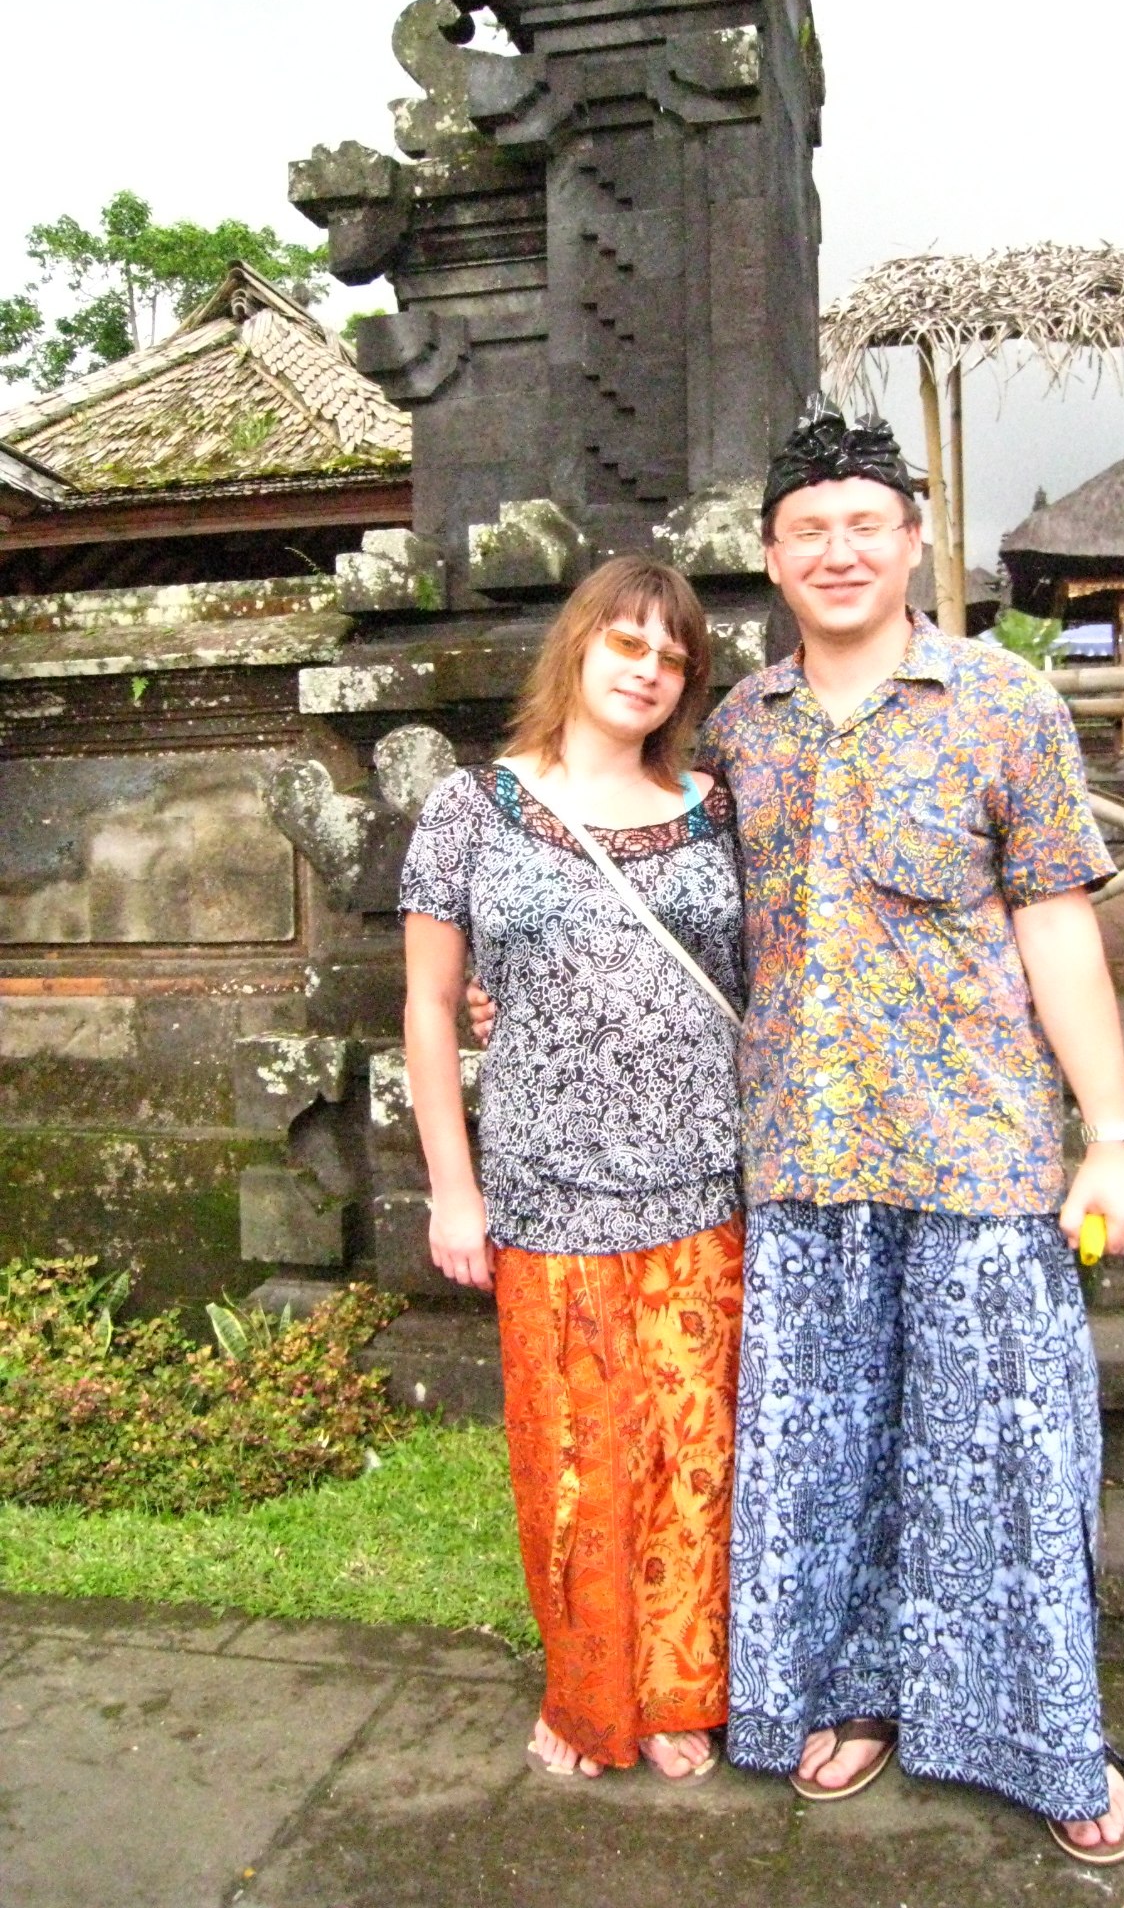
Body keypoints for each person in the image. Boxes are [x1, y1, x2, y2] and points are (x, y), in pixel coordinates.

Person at [697, 399, 1124, 1864]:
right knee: (822, 1451)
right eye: (808, 530)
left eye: (864, 525)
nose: (838, 551)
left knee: (1003, 1458)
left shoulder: (1005, 706)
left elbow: (1058, 924)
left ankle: (1047, 1739)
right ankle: (852, 1693)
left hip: (976, 1149)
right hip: (803, 1152)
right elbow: (699, 918)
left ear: (912, 542)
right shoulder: (738, 729)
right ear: (773, 557)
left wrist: (1114, 1131)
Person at [399, 555, 746, 1785]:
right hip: (546, 1181)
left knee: (693, 1448)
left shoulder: (716, 807)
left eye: (673, 658)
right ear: (579, 645)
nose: (647, 670)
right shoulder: (473, 808)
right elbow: (430, 1004)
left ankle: (677, 1690)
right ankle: (589, 1686)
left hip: (706, 1177)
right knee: (575, 1454)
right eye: (628, 643)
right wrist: (454, 1186)